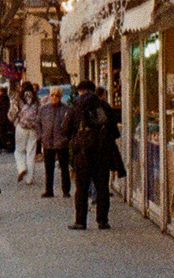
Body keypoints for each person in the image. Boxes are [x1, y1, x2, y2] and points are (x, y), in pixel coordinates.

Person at [69, 82, 121, 230]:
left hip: (82, 154)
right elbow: (114, 132)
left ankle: (80, 221)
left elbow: (65, 129)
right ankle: (102, 220)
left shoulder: (75, 108)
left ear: (80, 91)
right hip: (102, 154)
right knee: (102, 187)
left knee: (81, 188)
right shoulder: (105, 107)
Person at [39, 85, 75, 201]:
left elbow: (70, 125)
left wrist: (67, 138)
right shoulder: (44, 109)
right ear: (49, 96)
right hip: (48, 141)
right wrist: (41, 136)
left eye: (57, 95)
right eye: (52, 95)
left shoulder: (66, 109)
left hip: (61, 141)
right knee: (48, 168)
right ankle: (49, 190)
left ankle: (66, 190)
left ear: (60, 97)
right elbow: (38, 123)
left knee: (64, 167)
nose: (54, 97)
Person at [13, 82, 41, 183]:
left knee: (19, 151)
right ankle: (29, 179)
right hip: (33, 128)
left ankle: (21, 168)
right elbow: (40, 112)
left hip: (21, 127)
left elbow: (12, 113)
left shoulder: (18, 98)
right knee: (31, 153)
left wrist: (13, 119)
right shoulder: (36, 99)